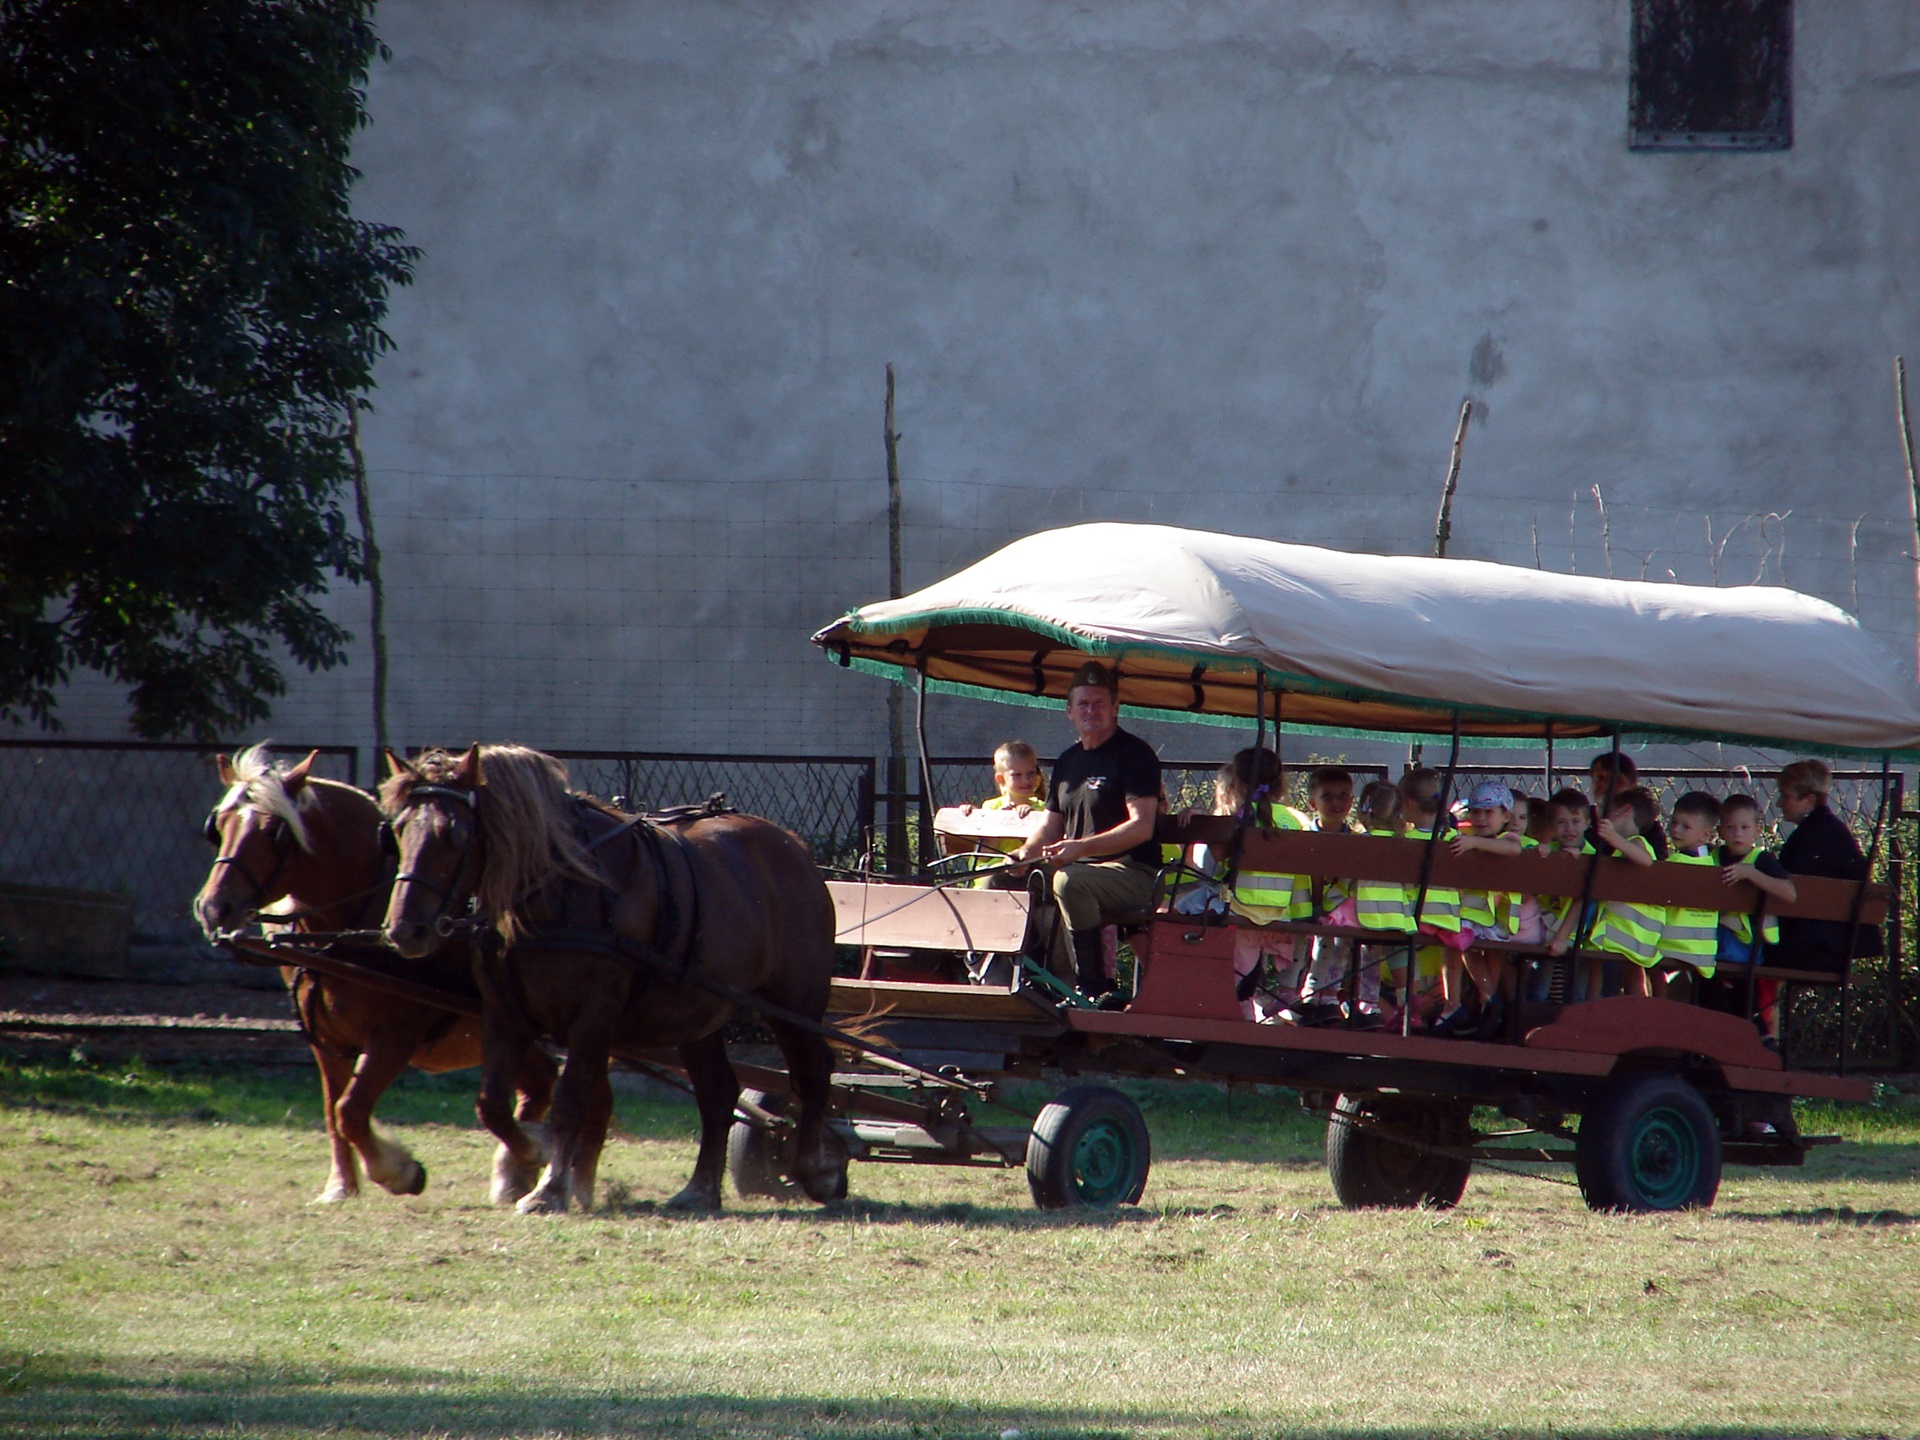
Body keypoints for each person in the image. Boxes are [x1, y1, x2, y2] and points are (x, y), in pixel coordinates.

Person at [1008, 662, 1162, 1003]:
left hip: (1135, 873)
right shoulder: (1068, 761)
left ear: (1115, 707)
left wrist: (1080, 848)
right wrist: (1024, 854)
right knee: (999, 881)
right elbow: (1051, 826)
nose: (1091, 711)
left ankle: (1093, 989)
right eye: (1083, 704)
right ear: (1069, 712)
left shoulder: (1135, 755)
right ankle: (1010, 983)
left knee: (1069, 882)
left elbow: (1142, 826)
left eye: (1099, 703)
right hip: (1079, 868)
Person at [1435, 781, 1538, 1038]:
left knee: (1476, 946)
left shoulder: (1506, 838)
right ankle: (1482, 1000)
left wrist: (1474, 844)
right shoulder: (1464, 839)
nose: (1480, 818)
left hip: (1493, 920)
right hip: (1469, 917)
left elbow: (1512, 849)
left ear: (1505, 816)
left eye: (1488, 812)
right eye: (1476, 812)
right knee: (1457, 940)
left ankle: (1487, 1000)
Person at [1549, 785, 1661, 1000]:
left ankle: (1636, 1012)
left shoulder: (1636, 842)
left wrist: (1613, 837)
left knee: (1627, 974)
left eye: (1606, 811)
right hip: (1613, 926)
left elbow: (1645, 860)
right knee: (1597, 970)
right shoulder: (1620, 850)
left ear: (1625, 811)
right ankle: (1592, 1010)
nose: (1601, 817)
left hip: (1629, 929)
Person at [1773, 759, 1882, 972]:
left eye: (1785, 796)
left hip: (1805, 949)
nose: (1779, 803)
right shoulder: (1834, 834)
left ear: (1809, 800)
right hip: (1835, 948)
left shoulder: (1807, 840)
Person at [1706, 792, 1797, 1042]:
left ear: (1757, 830)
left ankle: (1750, 1032)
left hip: (1748, 946)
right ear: (1720, 831)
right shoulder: (1712, 858)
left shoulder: (1761, 860)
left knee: (1726, 980)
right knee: (1707, 979)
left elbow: (1789, 893)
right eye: (1730, 827)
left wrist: (1751, 874)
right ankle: (1739, 1034)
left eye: (1745, 827)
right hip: (1713, 943)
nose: (1738, 833)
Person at [1657, 791, 1724, 999]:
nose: (1676, 830)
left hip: (1672, 947)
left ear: (1705, 835)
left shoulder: (1676, 864)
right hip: (1703, 952)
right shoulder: (1712, 865)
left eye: (1685, 826)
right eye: (1674, 822)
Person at [957, 742, 1046, 886]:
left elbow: (1040, 850)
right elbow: (983, 856)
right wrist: (999, 823)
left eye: (1030, 773)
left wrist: (1026, 822)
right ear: (1001, 779)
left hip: (1026, 873)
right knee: (993, 879)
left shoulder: (1042, 809)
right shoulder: (991, 807)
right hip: (991, 872)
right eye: (1017, 775)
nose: (1026, 780)